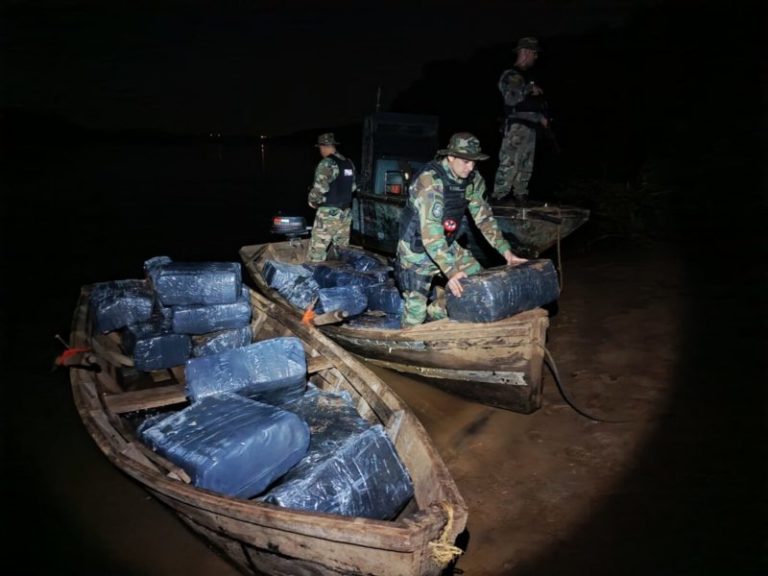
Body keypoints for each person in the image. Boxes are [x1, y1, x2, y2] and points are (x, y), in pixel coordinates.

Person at [395, 132, 527, 327]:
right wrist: (451, 271)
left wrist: (506, 252)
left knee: (478, 284)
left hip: (445, 245)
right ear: (450, 157)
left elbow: (484, 218)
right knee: (415, 316)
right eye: (466, 161)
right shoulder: (430, 181)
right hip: (416, 253)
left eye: (475, 162)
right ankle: (405, 346)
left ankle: (437, 311)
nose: (470, 167)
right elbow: (431, 234)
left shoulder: (472, 180)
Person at [492, 36, 550, 203]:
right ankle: (499, 197)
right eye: (534, 53)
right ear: (525, 52)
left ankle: (520, 195)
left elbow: (531, 105)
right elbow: (512, 99)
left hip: (530, 127)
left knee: (526, 165)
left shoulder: (527, 76)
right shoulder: (511, 75)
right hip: (516, 126)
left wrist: (541, 117)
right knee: (509, 162)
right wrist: (529, 89)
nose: (536, 57)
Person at [306, 132, 357, 262]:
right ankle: (342, 278)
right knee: (342, 252)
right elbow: (353, 187)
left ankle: (313, 281)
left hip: (329, 214)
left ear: (323, 147)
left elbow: (320, 188)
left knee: (315, 254)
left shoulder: (327, 163)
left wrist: (312, 201)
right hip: (345, 213)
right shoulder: (348, 163)